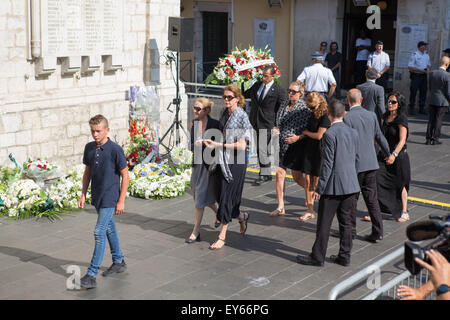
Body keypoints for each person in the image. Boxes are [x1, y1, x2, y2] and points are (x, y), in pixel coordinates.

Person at [296, 99, 360, 267]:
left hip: (333, 187)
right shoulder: (353, 133)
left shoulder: (330, 134)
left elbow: (327, 163)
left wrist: (320, 188)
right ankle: (345, 256)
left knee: (324, 223)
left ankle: (318, 257)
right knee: (346, 223)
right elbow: (356, 158)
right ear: (344, 114)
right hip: (351, 184)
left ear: (329, 115)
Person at [78, 114, 129, 289]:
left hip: (110, 197)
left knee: (99, 232)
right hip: (97, 196)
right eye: (92, 131)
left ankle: (91, 274)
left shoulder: (115, 150)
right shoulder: (89, 148)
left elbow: (125, 174)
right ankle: (118, 260)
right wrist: (83, 193)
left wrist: (121, 200)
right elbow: (87, 172)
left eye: (98, 131)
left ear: (107, 130)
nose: (95, 135)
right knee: (108, 228)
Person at [203, 84, 253, 250]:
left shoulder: (241, 116)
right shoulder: (224, 112)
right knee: (219, 192)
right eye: (224, 97)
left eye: (229, 97)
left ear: (237, 99)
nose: (226, 100)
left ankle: (222, 236)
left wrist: (220, 144)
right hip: (222, 157)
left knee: (226, 195)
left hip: (236, 162)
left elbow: (242, 146)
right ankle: (242, 216)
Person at [343, 89, 391, 243]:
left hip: (354, 165)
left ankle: (350, 230)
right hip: (371, 163)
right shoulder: (371, 115)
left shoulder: (347, 117)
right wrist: (388, 153)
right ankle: (378, 231)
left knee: (351, 200)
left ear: (347, 100)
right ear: (361, 99)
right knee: (372, 199)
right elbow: (379, 136)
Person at [270, 81, 311, 217]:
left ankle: (311, 192)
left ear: (301, 94)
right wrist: (277, 129)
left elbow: (308, 129)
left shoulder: (304, 108)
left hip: (296, 146)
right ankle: (280, 206)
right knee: (279, 174)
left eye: (294, 91)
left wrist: (297, 138)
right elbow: (279, 122)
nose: (290, 93)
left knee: (297, 177)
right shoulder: (284, 104)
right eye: (289, 91)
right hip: (281, 145)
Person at [243, 65, 287, 185]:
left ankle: (263, 174)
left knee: (262, 148)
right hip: (255, 120)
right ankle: (266, 173)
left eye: (266, 76)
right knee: (260, 148)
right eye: (263, 75)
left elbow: (282, 106)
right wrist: (243, 79)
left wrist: (277, 123)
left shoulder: (278, 89)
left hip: (267, 122)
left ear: (273, 76)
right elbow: (245, 94)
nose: (264, 78)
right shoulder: (257, 85)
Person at [186, 98, 220, 243]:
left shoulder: (215, 124)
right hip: (197, 163)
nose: (195, 111)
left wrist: (206, 144)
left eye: (198, 109)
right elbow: (193, 145)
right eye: (194, 108)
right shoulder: (195, 124)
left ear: (206, 111)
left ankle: (196, 231)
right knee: (197, 192)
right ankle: (222, 213)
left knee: (200, 196)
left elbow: (219, 144)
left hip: (209, 165)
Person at [376, 91, 411, 223]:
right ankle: (377, 211)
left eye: (393, 102)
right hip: (384, 154)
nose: (389, 104)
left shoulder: (401, 118)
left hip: (399, 155)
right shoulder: (384, 116)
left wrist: (394, 155)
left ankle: (404, 211)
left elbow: (402, 140)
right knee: (377, 179)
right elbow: (379, 135)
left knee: (400, 182)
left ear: (399, 104)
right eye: (388, 101)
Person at [298, 92, 331, 221]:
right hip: (309, 149)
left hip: (320, 150)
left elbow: (319, 135)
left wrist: (305, 132)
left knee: (317, 181)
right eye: (309, 107)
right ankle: (309, 209)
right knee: (307, 179)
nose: (311, 109)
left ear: (319, 103)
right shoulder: (311, 113)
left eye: (313, 107)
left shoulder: (325, 116)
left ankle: (321, 206)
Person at [426, 56, 450, 145]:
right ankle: (435, 138)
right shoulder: (447, 75)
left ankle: (428, 138)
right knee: (438, 120)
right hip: (442, 101)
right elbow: (448, 92)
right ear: (447, 64)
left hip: (432, 99)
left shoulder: (432, 73)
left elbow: (430, 87)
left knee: (431, 119)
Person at [408, 41, 431, 115]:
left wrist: (428, 69)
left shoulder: (426, 55)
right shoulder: (414, 55)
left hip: (424, 76)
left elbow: (429, 65)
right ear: (420, 47)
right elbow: (410, 67)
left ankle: (421, 108)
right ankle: (411, 108)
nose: (425, 47)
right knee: (413, 92)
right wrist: (420, 70)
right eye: (424, 46)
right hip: (416, 76)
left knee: (423, 92)